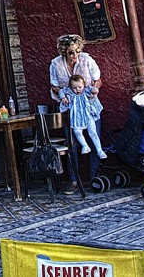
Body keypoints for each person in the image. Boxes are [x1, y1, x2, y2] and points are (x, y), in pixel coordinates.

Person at [49, 33, 103, 187]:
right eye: (71, 52)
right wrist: (63, 93)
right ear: (64, 52)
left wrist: (94, 89)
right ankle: (74, 180)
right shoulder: (56, 64)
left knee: (94, 139)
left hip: (89, 106)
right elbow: (53, 84)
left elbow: (98, 80)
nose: (75, 55)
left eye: (77, 51)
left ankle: (95, 178)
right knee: (72, 142)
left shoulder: (87, 60)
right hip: (70, 108)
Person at [64, 74, 107, 159]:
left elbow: (95, 90)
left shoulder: (87, 90)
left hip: (88, 116)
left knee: (93, 132)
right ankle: (85, 146)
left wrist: (95, 91)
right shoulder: (70, 93)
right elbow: (61, 91)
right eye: (74, 88)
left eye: (80, 87)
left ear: (84, 85)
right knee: (77, 131)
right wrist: (63, 98)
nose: (77, 90)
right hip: (77, 118)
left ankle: (99, 150)